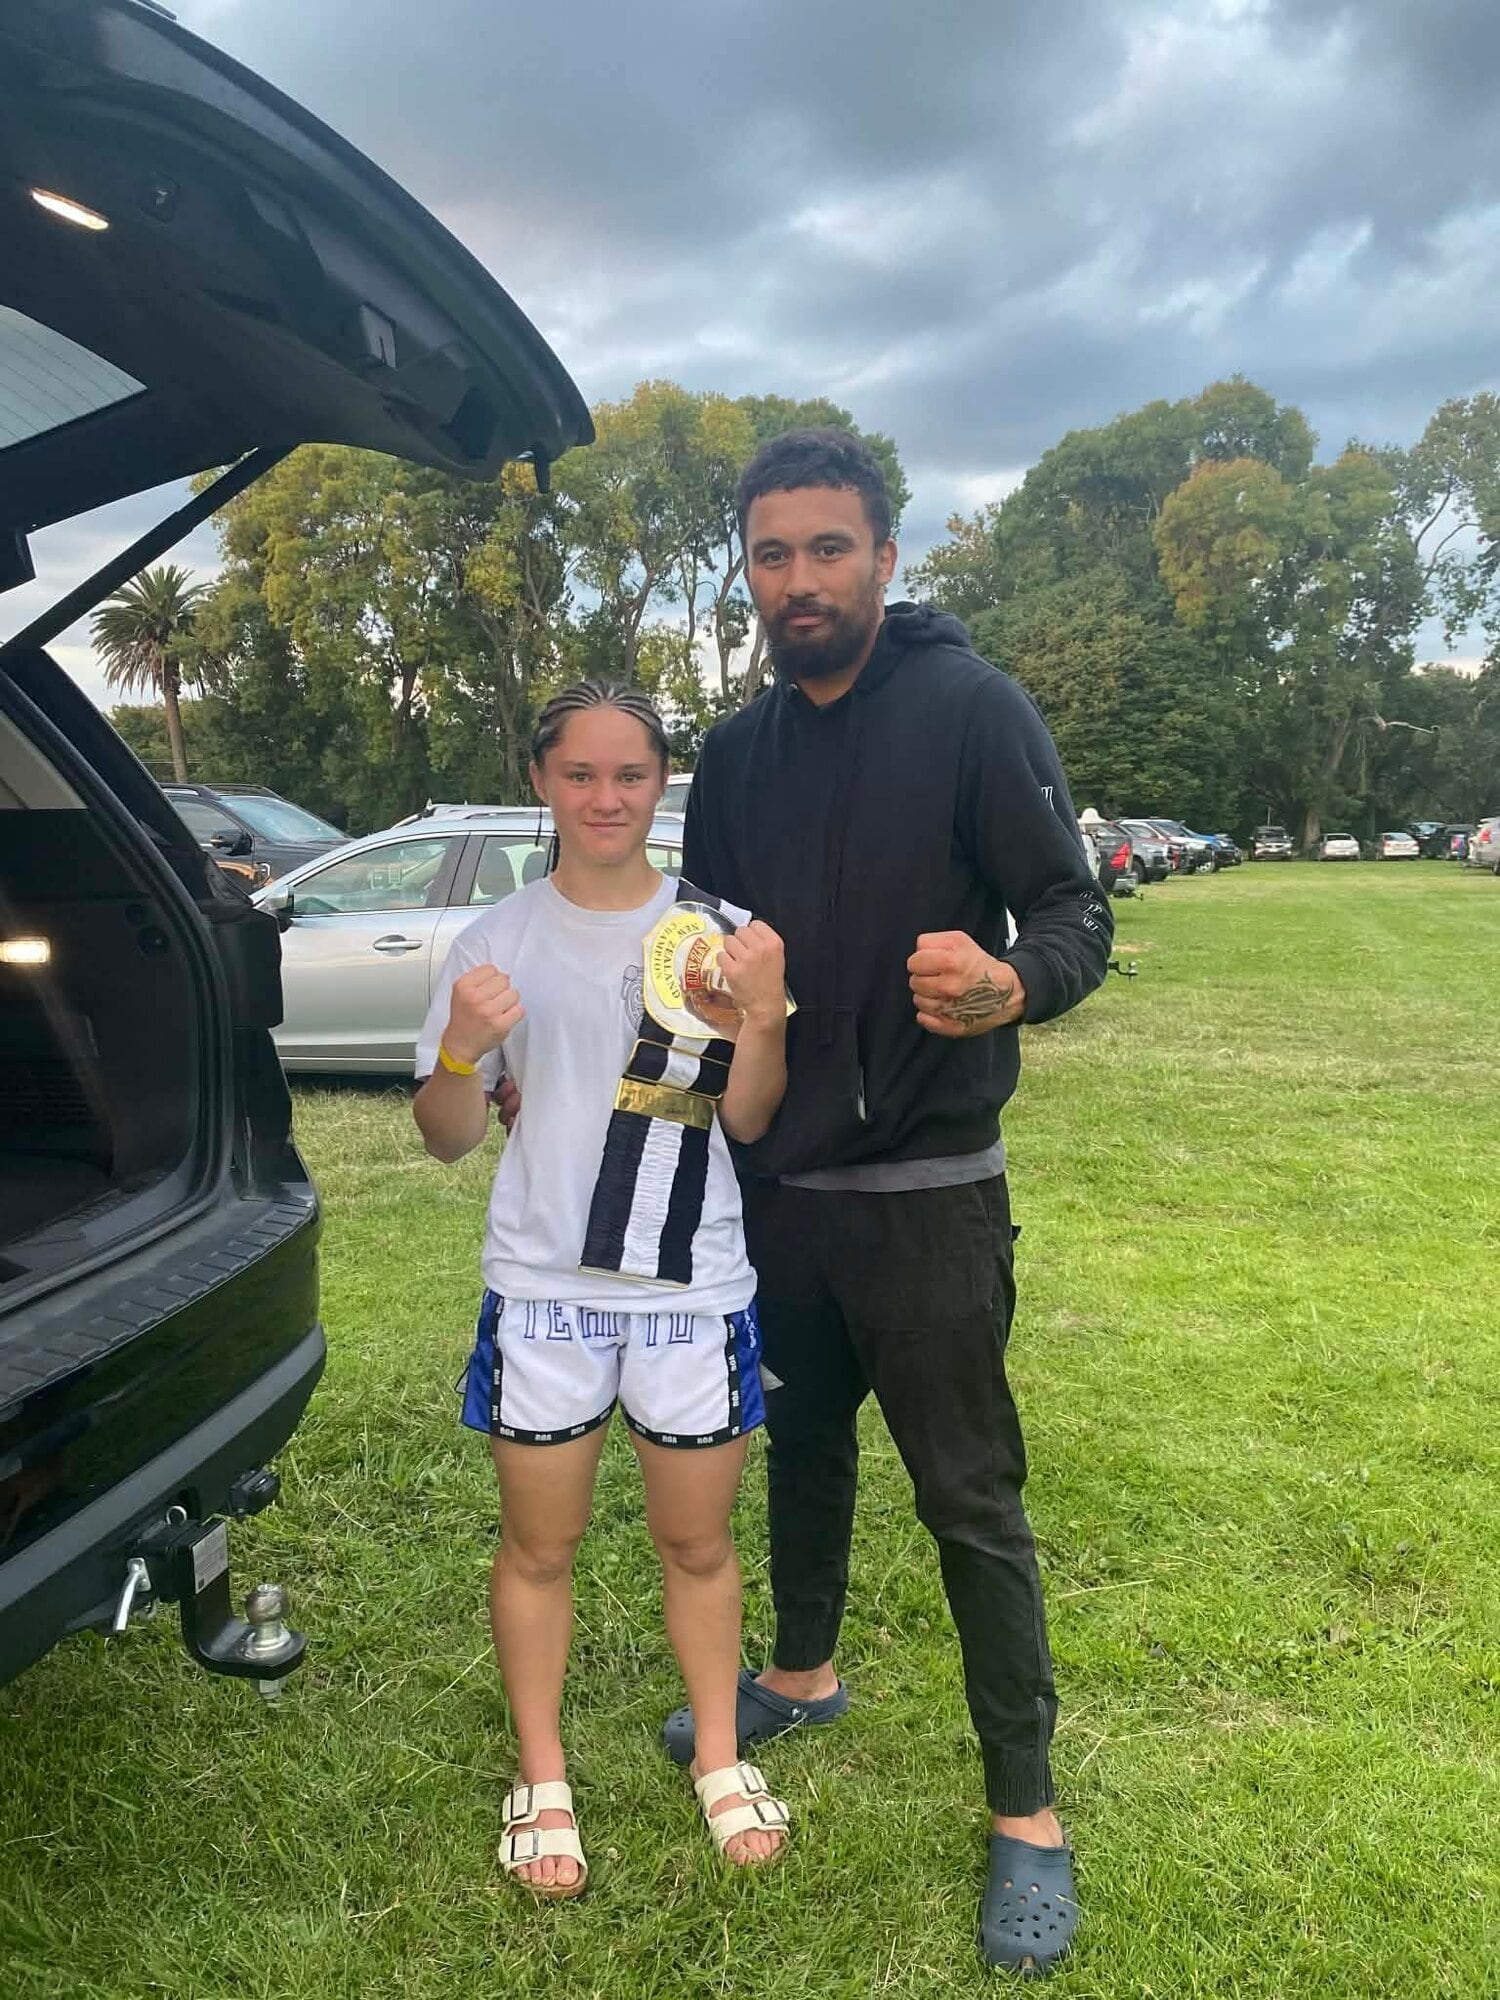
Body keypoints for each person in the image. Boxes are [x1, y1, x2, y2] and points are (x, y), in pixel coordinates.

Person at [664, 428, 1114, 1973]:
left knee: (970, 1502)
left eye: (828, 549)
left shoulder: (973, 710)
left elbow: (1073, 913)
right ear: (752, 572)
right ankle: (797, 1675)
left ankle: (1029, 1817)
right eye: (772, 554)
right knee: (797, 1449)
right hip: (776, 1187)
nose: (800, 580)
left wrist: (1012, 983)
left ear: (885, 559)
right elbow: (706, 966)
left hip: (929, 1194)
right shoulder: (732, 758)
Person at [413, 682, 793, 1898]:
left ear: (660, 782)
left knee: (698, 1540)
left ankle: (721, 1756)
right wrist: (466, 1048)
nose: (607, 797)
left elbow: (749, 1114)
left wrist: (767, 1012)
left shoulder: (721, 936)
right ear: (542, 780)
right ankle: (542, 1770)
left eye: (630, 775)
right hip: (543, 1291)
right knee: (540, 1544)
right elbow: (444, 1134)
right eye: (581, 774)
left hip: (690, 1287)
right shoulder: (493, 942)